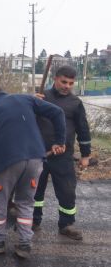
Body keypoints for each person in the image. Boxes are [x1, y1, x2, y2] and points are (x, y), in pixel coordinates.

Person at [0, 83, 66, 259]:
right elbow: (58, 112)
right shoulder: (26, 99)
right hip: (35, 159)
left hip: (6, 162)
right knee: (26, 203)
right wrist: (60, 141)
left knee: (0, 201)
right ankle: (24, 244)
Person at [33, 65, 91, 240]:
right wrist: (31, 102)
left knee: (67, 191)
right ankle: (33, 221)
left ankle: (66, 224)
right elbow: (23, 118)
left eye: (71, 83)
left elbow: (83, 129)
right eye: (64, 81)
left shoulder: (75, 103)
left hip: (63, 156)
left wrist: (85, 155)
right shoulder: (41, 97)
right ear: (55, 78)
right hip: (38, 153)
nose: (67, 86)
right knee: (35, 190)